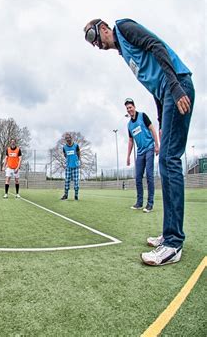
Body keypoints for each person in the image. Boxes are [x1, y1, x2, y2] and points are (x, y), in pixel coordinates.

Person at [84, 18, 195, 265]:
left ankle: (174, 243)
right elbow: (154, 86)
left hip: (177, 84)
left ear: (103, 29)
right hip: (165, 92)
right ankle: (169, 234)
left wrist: (176, 87)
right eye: (92, 44)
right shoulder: (124, 54)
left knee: (168, 161)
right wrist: (162, 119)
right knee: (166, 163)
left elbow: (157, 46)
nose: (97, 45)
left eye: (95, 38)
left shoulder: (123, 27)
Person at [125, 98, 159, 213]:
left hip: (149, 148)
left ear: (134, 107)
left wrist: (157, 145)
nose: (129, 109)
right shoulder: (129, 125)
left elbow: (153, 129)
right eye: (127, 108)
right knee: (138, 177)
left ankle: (150, 204)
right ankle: (139, 203)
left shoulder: (143, 116)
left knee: (149, 176)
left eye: (130, 107)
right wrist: (128, 156)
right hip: (140, 153)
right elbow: (130, 141)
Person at [61, 133, 81, 201]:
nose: (68, 139)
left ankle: (76, 195)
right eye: (66, 138)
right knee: (67, 181)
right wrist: (68, 160)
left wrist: (77, 160)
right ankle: (66, 195)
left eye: (69, 138)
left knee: (76, 181)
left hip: (75, 166)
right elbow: (65, 155)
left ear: (71, 138)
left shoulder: (76, 146)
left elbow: (78, 153)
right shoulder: (64, 147)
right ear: (65, 140)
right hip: (68, 166)